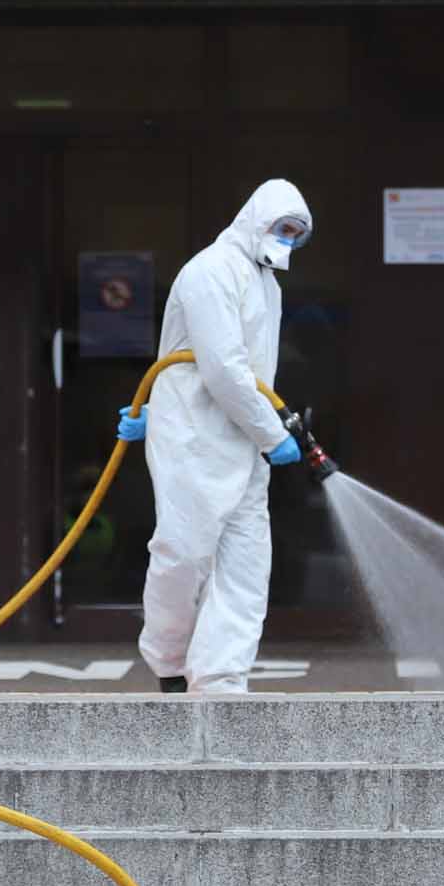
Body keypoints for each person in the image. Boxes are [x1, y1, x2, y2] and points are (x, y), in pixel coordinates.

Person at [123, 179, 313, 694]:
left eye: (296, 233)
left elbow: (250, 372)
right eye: (282, 228)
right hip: (193, 437)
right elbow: (225, 370)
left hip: (244, 442)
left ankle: (221, 681)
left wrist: (262, 434)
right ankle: (169, 664)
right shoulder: (210, 271)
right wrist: (273, 434)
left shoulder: (267, 284)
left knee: (245, 566)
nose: (287, 240)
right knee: (183, 553)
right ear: (256, 218)